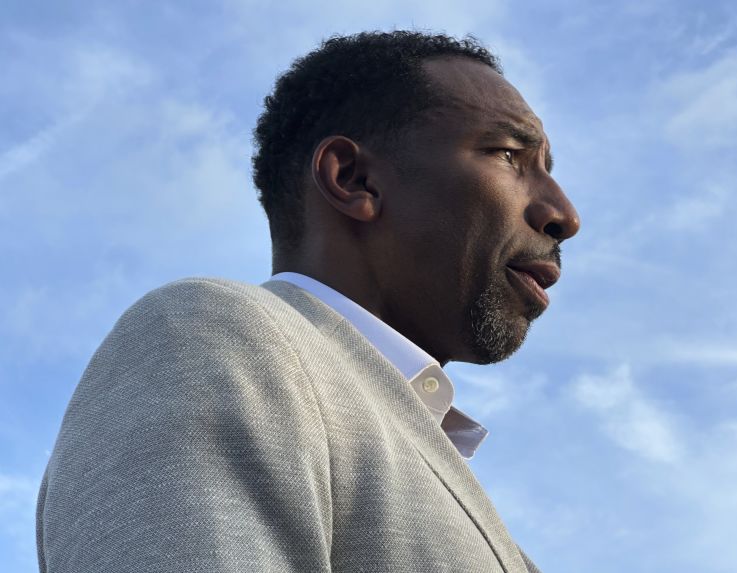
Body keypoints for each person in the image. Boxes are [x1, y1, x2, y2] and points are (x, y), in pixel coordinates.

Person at [36, 30, 579, 572]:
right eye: (509, 155)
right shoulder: (215, 337)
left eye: (548, 170)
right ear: (353, 179)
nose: (564, 214)